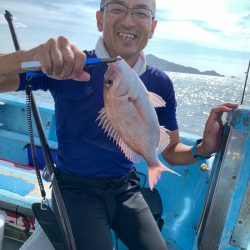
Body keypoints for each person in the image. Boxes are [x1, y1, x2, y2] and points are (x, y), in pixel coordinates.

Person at [0, 0, 237, 249]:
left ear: (152, 26)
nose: (128, 20)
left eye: (141, 12)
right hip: (74, 188)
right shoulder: (69, 68)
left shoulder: (160, 82)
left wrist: (203, 148)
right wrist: (30, 57)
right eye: (117, 8)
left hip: (126, 188)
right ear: (99, 19)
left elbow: (170, 150)